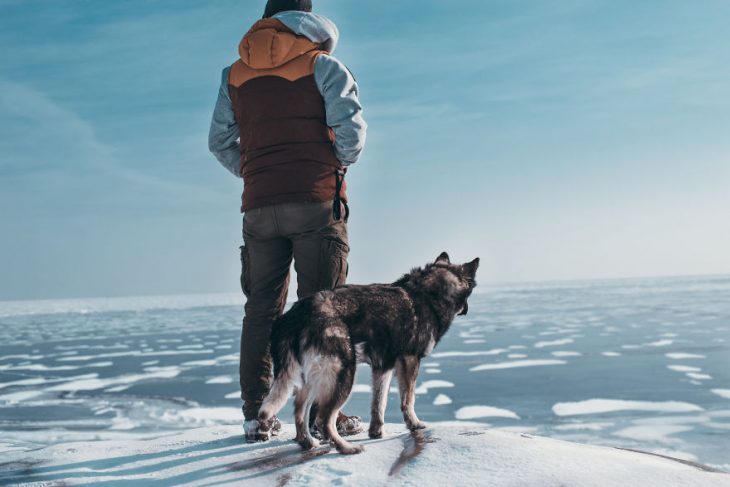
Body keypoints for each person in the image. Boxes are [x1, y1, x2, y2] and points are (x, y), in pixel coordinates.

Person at [208, 0, 367, 441]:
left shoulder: (234, 75)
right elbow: (351, 133)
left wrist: (256, 171)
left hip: (259, 206)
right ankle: (322, 417)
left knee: (260, 311)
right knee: (323, 311)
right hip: (316, 201)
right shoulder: (323, 65)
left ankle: (257, 415)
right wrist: (332, 164)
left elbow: (218, 142)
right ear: (309, 17)